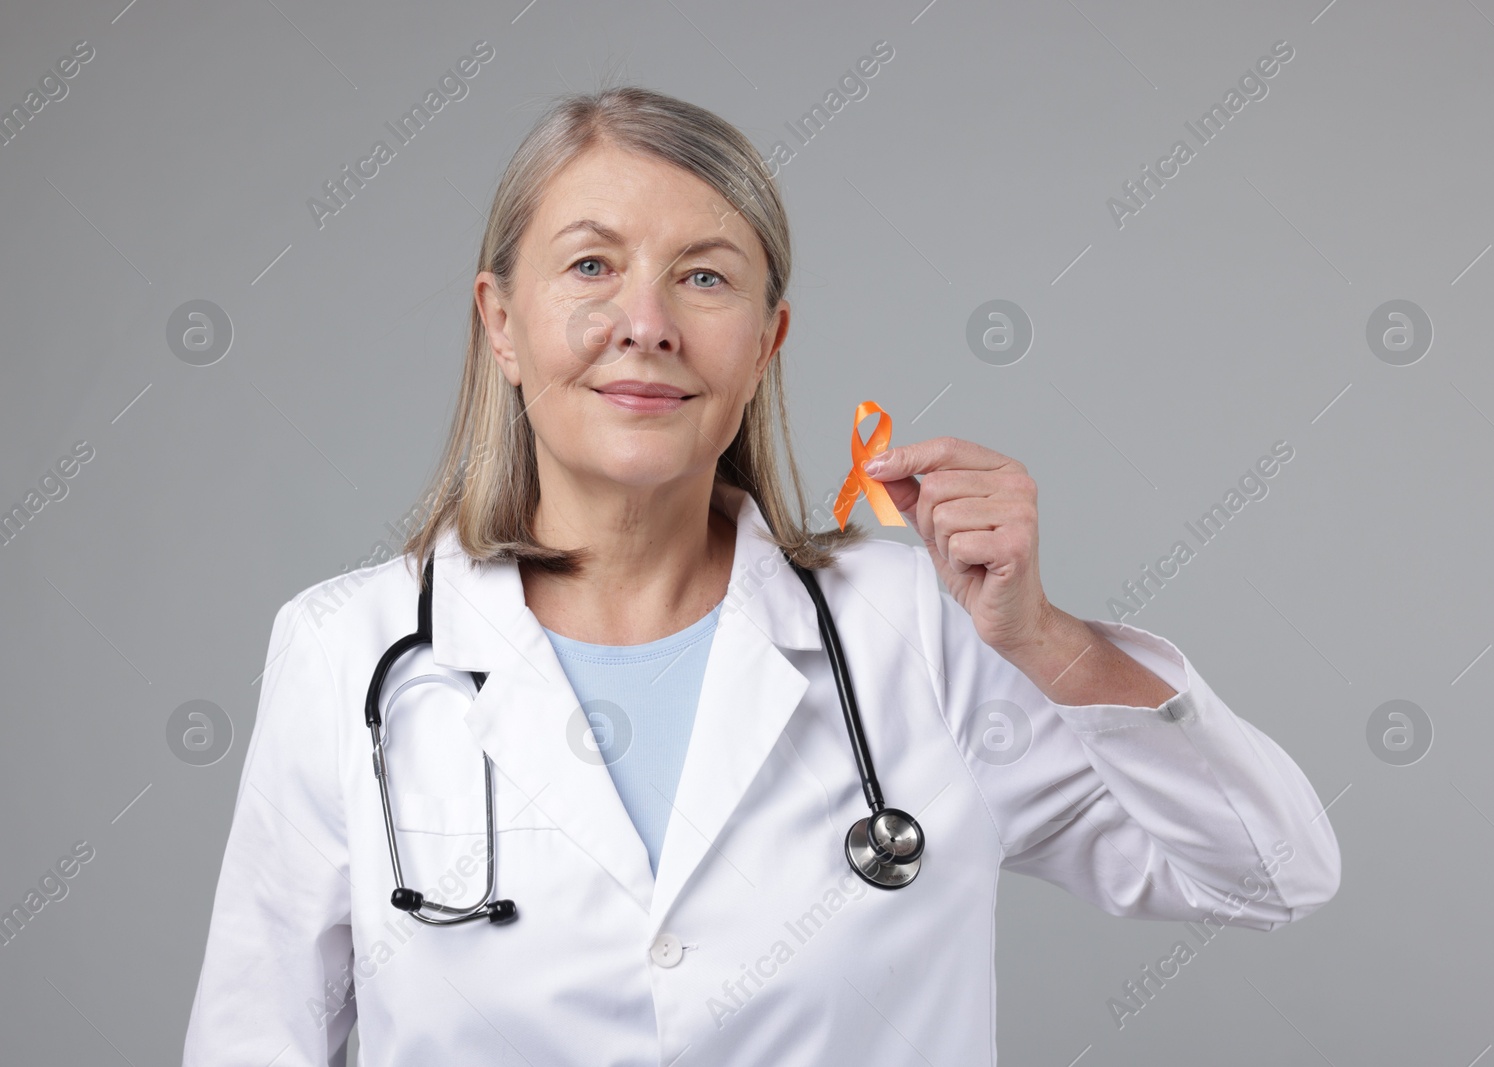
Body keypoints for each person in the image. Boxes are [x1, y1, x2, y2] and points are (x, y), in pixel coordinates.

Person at [182, 85, 1339, 1066]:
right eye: (590, 265)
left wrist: (1045, 637)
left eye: (704, 278)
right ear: (501, 323)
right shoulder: (352, 650)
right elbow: (254, 1036)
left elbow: (1272, 873)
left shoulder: (915, 635)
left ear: (766, 342)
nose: (644, 323)